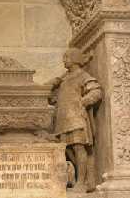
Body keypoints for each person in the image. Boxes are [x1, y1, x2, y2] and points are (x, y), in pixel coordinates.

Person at [51, 48, 102, 192]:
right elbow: (50, 94)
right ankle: (79, 179)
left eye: (66, 57)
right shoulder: (64, 78)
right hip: (63, 120)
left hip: (76, 119)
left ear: (74, 58)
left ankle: (82, 182)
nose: (64, 60)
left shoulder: (82, 75)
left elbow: (96, 91)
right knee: (66, 150)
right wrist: (56, 82)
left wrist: (83, 101)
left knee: (79, 148)